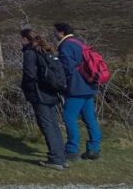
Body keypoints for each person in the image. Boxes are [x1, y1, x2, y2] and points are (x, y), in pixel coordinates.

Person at [21, 29, 68, 170]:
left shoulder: (30, 53)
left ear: (25, 39)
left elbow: (30, 74)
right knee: (53, 124)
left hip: (39, 94)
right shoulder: (45, 50)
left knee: (46, 125)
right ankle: (61, 156)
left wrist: (27, 89)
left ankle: (55, 158)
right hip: (51, 93)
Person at [55, 22, 102, 161]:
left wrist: (63, 84)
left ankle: (71, 150)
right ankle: (94, 149)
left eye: (55, 32)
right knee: (90, 118)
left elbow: (67, 68)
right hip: (89, 85)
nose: (54, 34)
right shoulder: (80, 43)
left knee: (69, 117)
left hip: (76, 87)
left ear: (61, 32)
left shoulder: (65, 46)